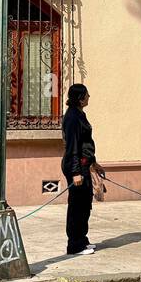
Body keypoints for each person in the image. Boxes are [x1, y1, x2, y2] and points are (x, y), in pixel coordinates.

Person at [61, 83, 103, 255]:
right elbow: (73, 147)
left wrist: (94, 163)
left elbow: (86, 143)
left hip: (85, 164)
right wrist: (76, 172)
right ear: (80, 98)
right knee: (77, 205)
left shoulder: (80, 114)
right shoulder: (72, 117)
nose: (89, 97)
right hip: (75, 166)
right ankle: (74, 245)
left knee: (85, 204)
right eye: (87, 94)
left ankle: (82, 239)